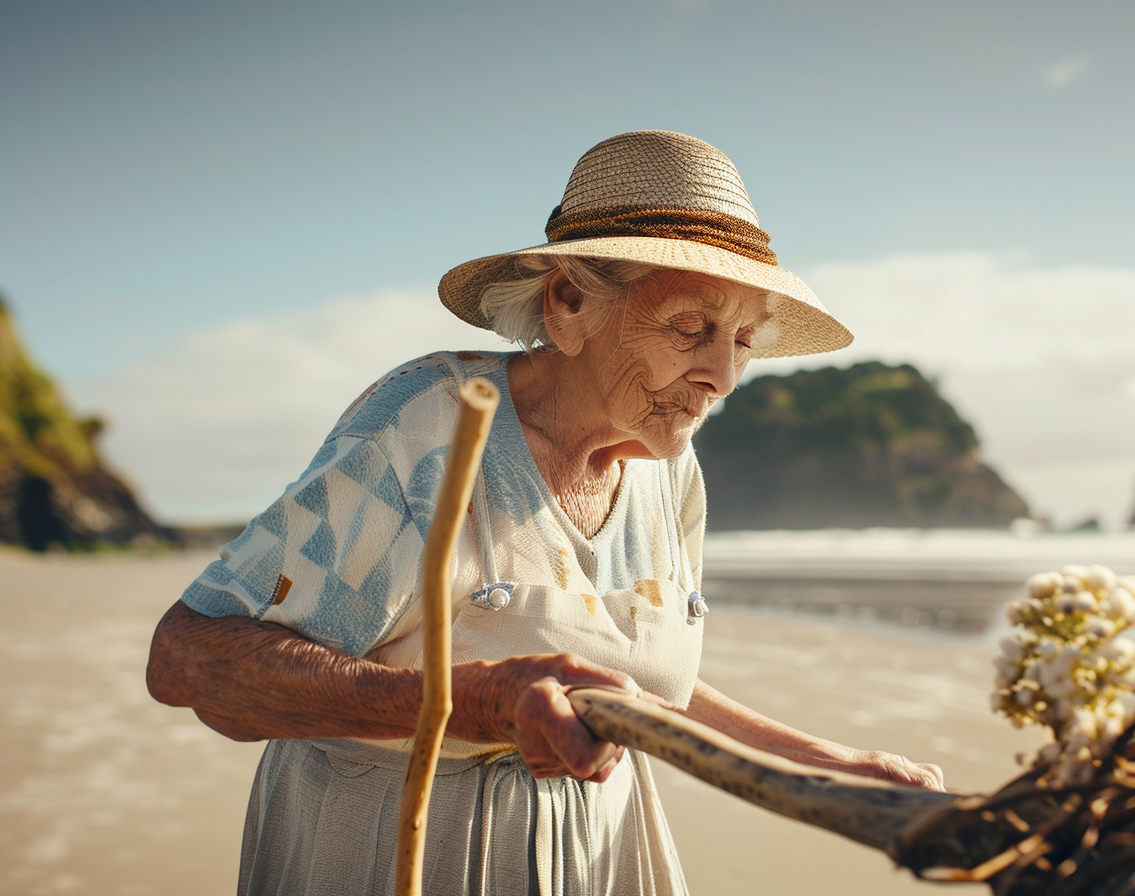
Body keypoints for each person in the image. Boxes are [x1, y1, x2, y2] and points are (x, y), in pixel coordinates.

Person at [147, 130, 943, 896]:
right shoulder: (432, 423)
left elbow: (632, 686)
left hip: (601, 851)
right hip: (398, 853)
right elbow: (190, 659)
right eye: (691, 328)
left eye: (740, 338)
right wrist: (465, 705)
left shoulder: (669, 463)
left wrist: (828, 761)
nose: (721, 378)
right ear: (567, 303)